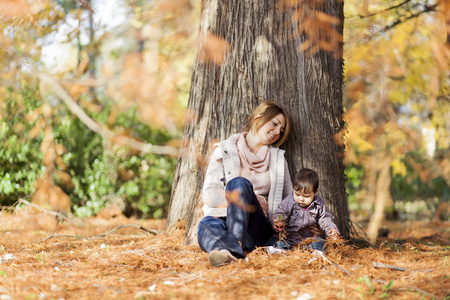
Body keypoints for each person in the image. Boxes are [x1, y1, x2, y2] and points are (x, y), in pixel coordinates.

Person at [197, 101, 293, 267]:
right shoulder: (223, 151)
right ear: (258, 118)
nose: (277, 132)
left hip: (257, 227)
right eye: (275, 124)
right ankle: (228, 254)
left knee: (239, 183)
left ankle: (236, 249)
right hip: (224, 219)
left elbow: (289, 201)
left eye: (281, 130)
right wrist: (249, 196)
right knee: (205, 225)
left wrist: (280, 218)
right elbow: (209, 195)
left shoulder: (277, 160)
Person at [272, 168, 339, 255]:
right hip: (290, 238)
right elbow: (281, 212)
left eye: (306, 196)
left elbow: (325, 218)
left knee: (320, 243)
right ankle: (281, 252)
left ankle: (315, 253)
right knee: (279, 242)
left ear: (315, 193)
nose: (301, 199)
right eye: (297, 194)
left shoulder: (318, 205)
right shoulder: (289, 202)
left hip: (310, 239)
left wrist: (331, 230)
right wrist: (279, 220)